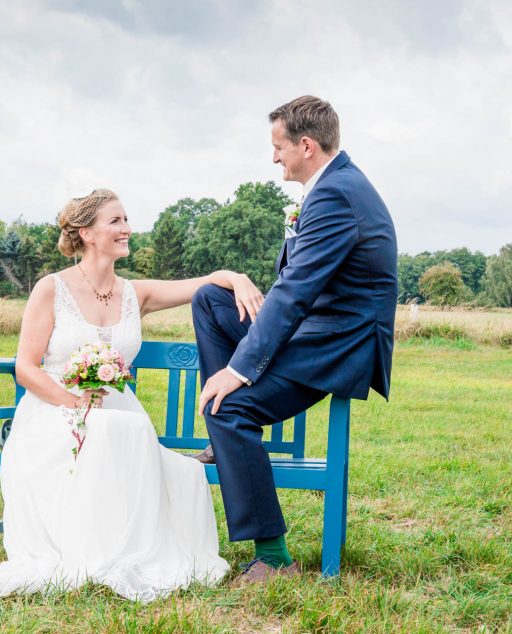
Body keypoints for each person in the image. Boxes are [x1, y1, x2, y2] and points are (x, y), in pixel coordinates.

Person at [0, 188, 263, 602]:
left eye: (126, 220)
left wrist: (234, 276)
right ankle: (94, 547)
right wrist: (74, 404)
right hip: (54, 410)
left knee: (152, 449)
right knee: (110, 430)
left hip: (118, 410)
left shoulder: (135, 293)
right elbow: (26, 368)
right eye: (116, 221)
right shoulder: (51, 289)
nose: (127, 229)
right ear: (86, 233)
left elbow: (198, 285)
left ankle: (127, 546)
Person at [191, 96, 398, 585]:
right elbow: (297, 285)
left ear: (306, 145)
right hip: (314, 330)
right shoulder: (334, 186)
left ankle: (273, 556)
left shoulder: (336, 194)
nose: (274, 158)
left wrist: (239, 371)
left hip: (336, 345)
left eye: (278, 147)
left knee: (227, 408)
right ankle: (225, 444)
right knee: (210, 300)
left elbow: (296, 289)